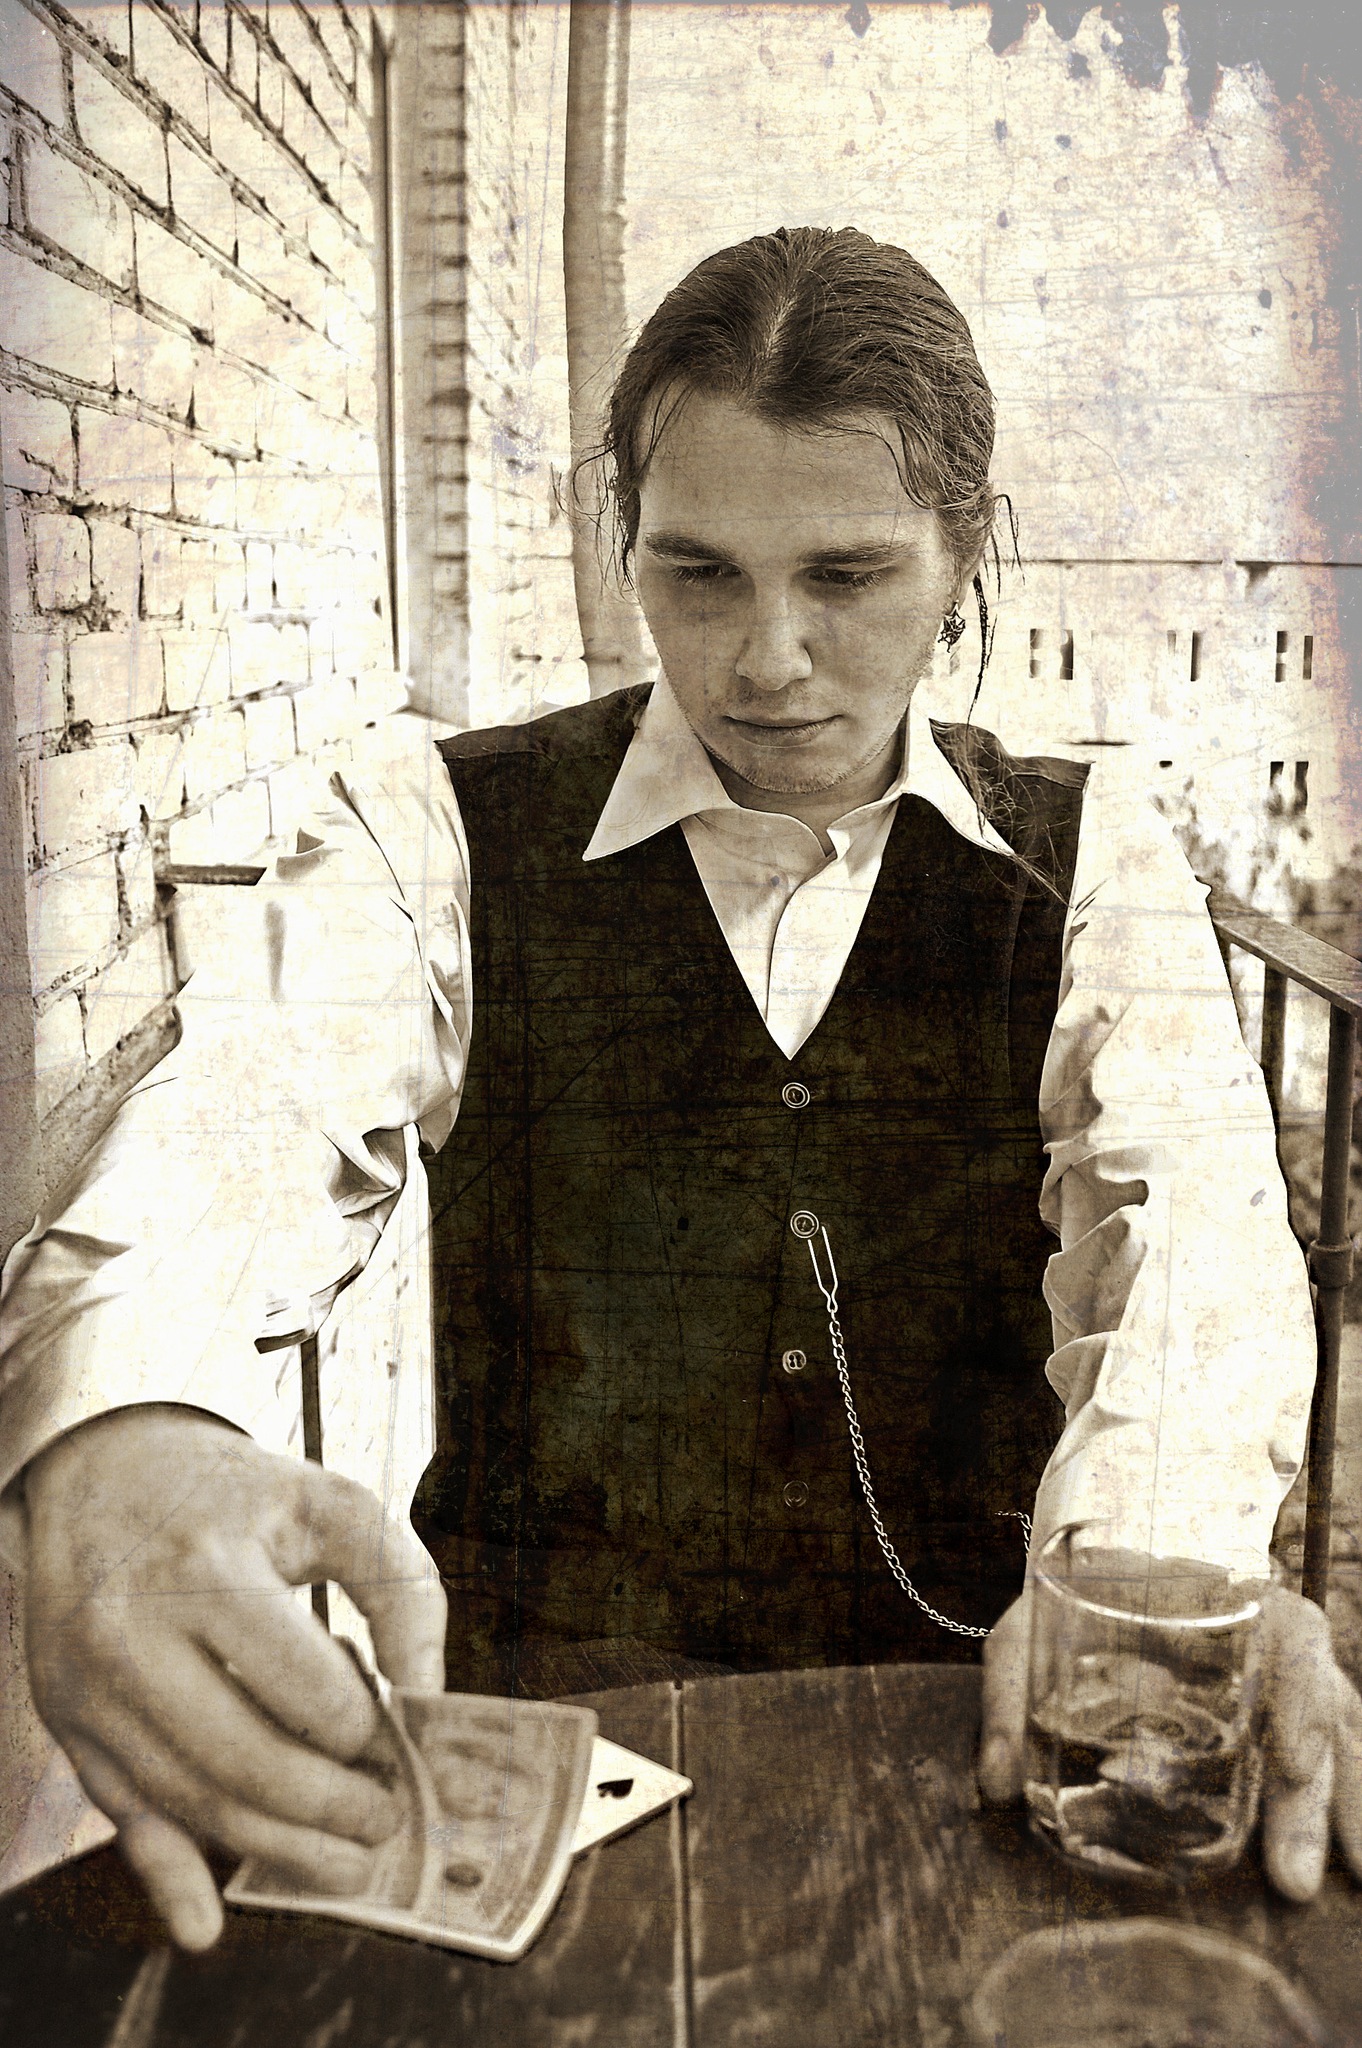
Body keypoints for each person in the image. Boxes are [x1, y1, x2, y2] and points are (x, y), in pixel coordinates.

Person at [2, 227, 1359, 1953]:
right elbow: (249, 1101)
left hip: (969, 1743)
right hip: (557, 1754)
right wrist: (120, 1432)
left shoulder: (1091, 859)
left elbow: (1193, 1239)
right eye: (697, 572)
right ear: (623, 540)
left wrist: (1151, 1588)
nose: (766, 658)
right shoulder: (434, 826)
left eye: (847, 575)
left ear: (966, 553)